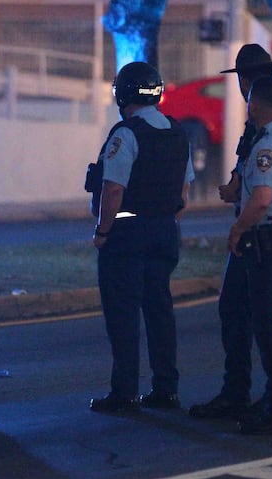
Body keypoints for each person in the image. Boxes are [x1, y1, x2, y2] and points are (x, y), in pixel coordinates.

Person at [189, 44, 272, 427]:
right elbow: (249, 164)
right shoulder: (262, 124)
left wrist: (242, 215)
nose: (244, 88)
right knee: (235, 312)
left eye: (248, 80)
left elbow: (269, 177)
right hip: (255, 233)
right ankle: (239, 393)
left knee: (271, 327)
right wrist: (237, 185)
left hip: (269, 231)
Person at [88, 61, 194, 413]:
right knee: (160, 312)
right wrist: (166, 221)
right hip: (164, 231)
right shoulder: (178, 132)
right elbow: (184, 190)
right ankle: (166, 388)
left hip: (127, 235)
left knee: (124, 315)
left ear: (123, 93)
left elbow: (113, 189)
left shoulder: (126, 133)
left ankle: (125, 393)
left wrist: (103, 232)